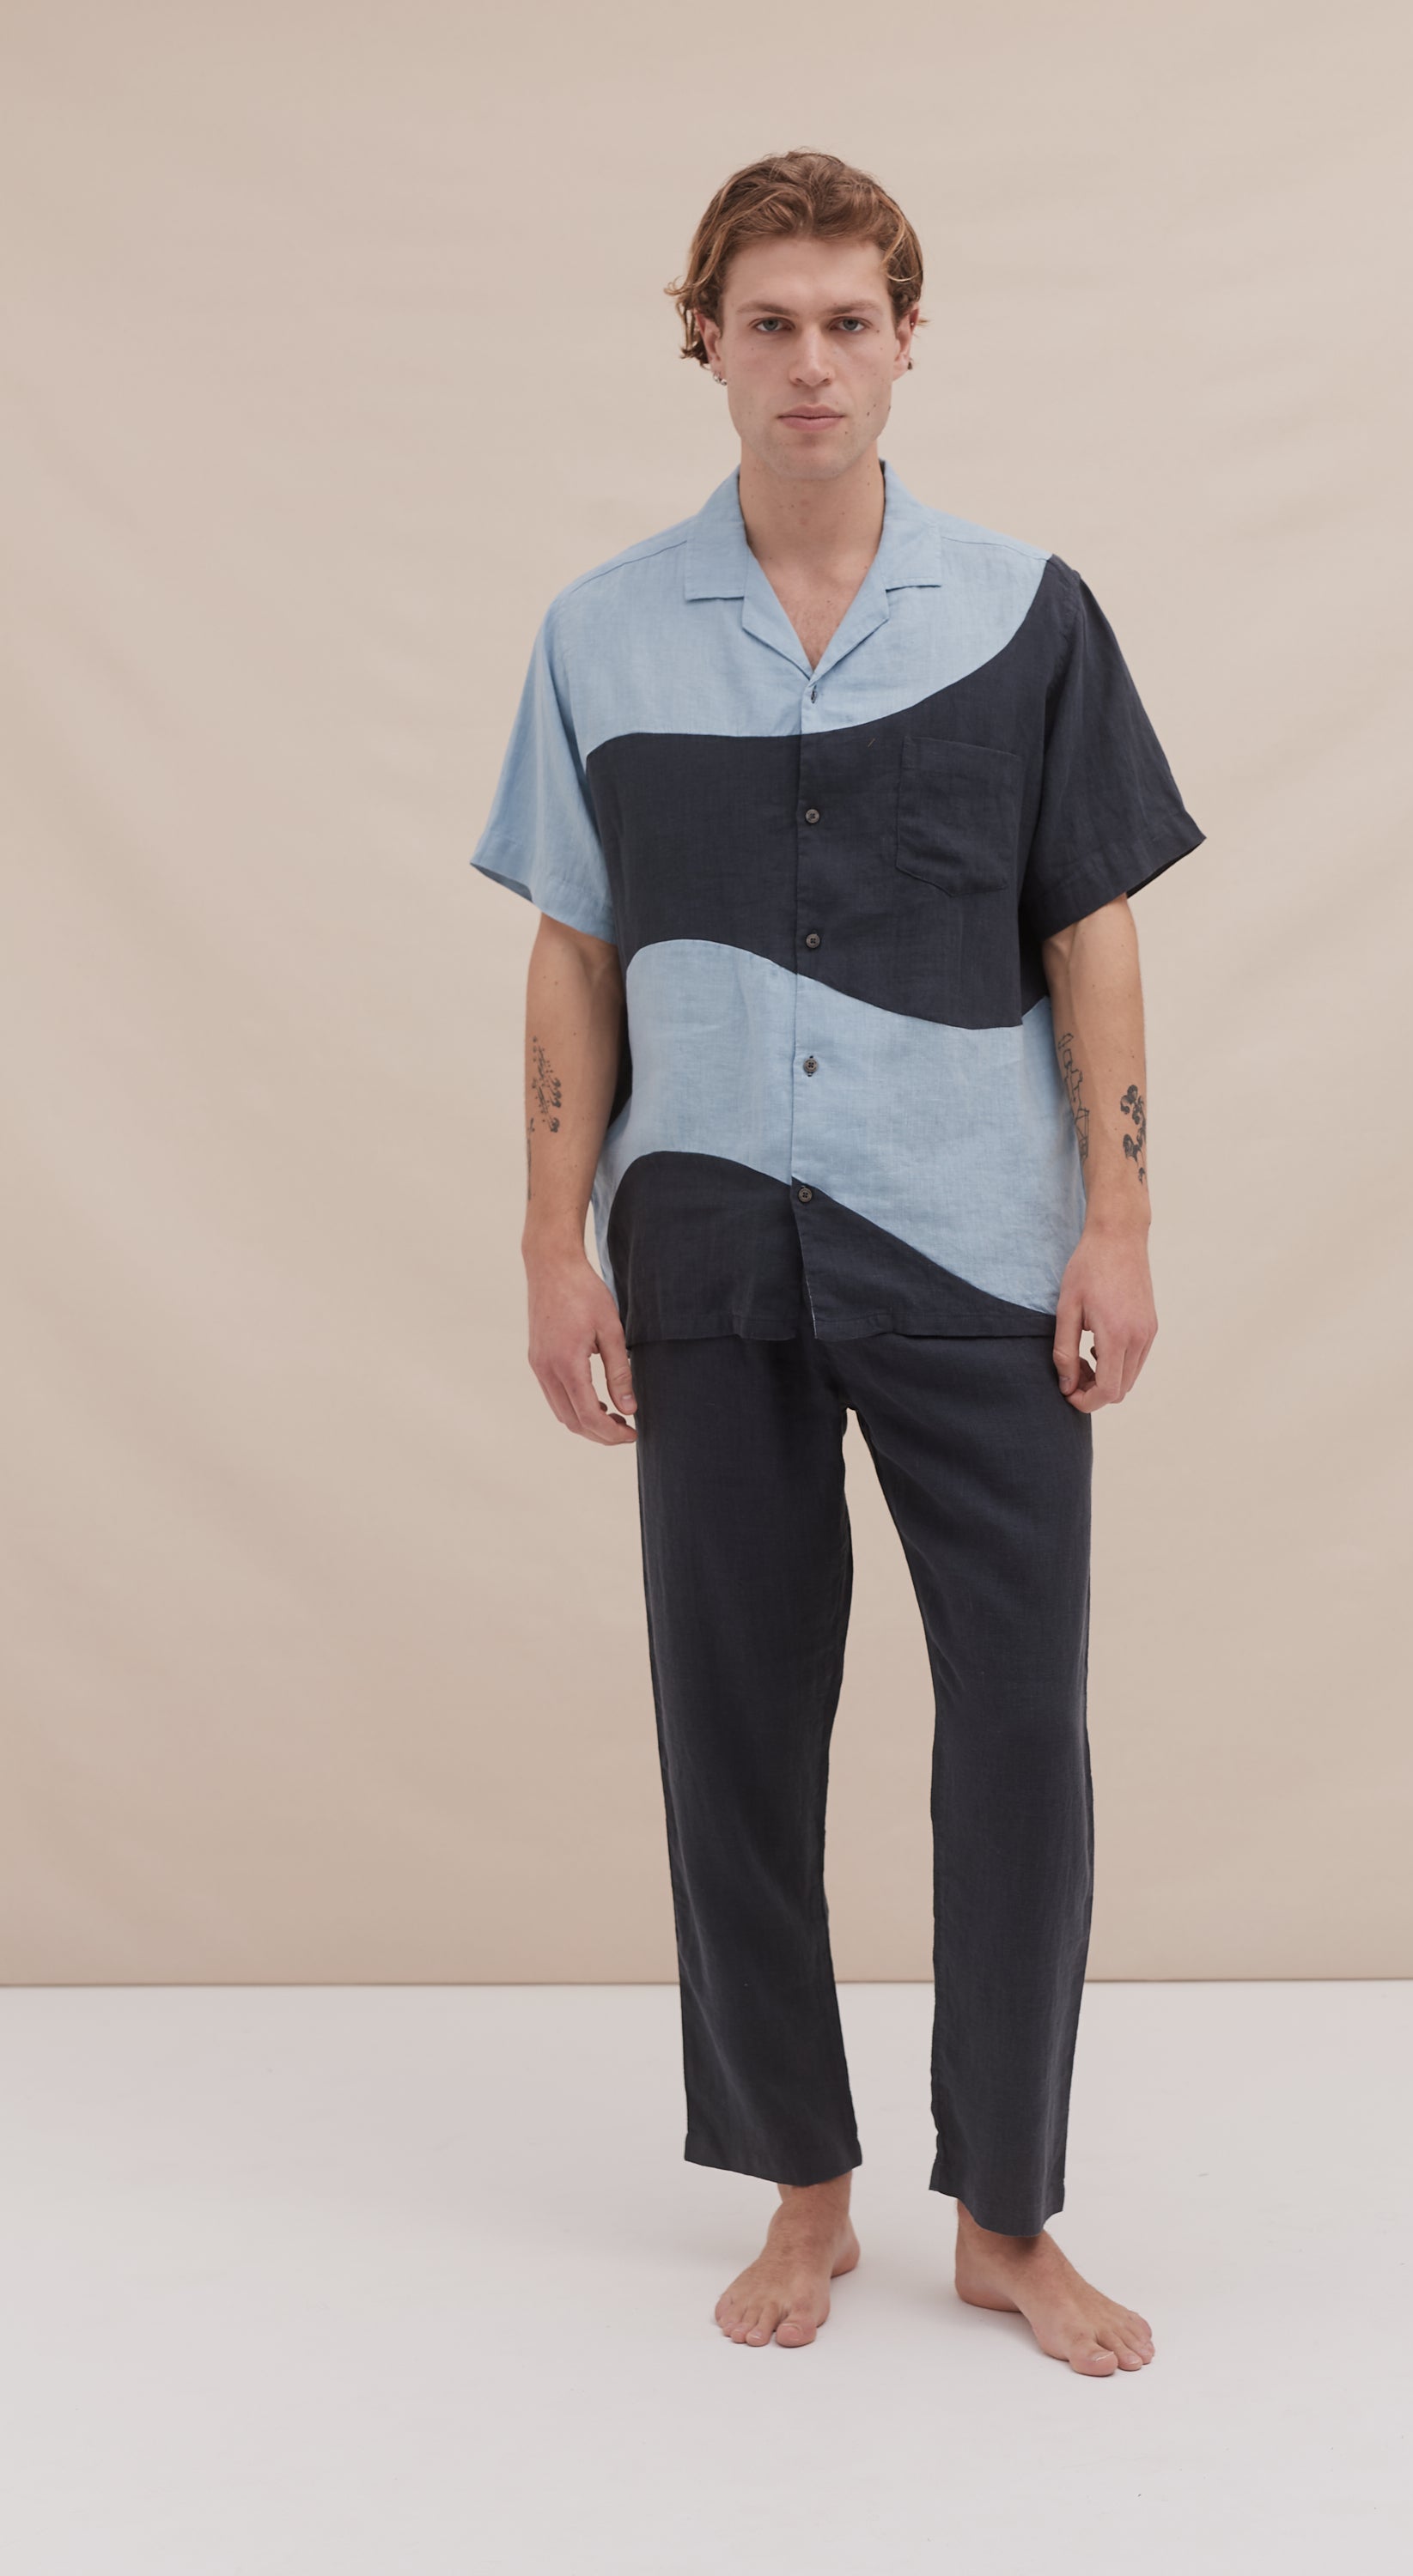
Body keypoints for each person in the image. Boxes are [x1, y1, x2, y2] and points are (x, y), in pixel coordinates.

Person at [468, 149, 1204, 2377]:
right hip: (703, 1249)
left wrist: (1120, 1221)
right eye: (770, 321)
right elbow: (572, 954)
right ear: (704, 338)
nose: (812, 361)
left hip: (978, 1249)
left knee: (1022, 1734)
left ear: (906, 342)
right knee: (735, 1730)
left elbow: (1093, 929)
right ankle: (804, 2185)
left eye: (850, 321)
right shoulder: (600, 633)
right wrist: (552, 1247)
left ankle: (1008, 2213)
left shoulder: (1029, 614)